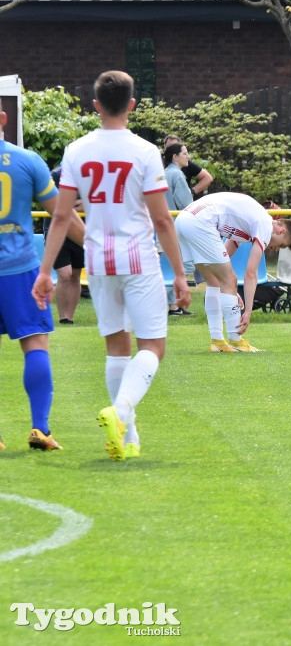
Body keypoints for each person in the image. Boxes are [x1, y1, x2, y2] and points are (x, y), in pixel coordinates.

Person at [33, 70, 191, 461]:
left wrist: (45, 270)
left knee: (116, 348)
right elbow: (161, 219)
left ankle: (128, 435)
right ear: (132, 105)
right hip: (138, 257)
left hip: (99, 260)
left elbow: (60, 216)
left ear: (96, 106)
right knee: (153, 345)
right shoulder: (144, 151)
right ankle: (121, 414)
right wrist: (182, 274)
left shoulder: (76, 150)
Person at [0, 109, 85, 451]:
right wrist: (96, 249)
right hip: (19, 269)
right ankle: (40, 429)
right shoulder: (26, 159)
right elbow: (60, 212)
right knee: (35, 343)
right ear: (3, 118)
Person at [175, 192, 291, 353]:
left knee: (215, 280)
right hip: (200, 222)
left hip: (184, 219)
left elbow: (224, 264)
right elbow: (251, 273)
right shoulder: (264, 224)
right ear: (281, 231)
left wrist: (231, 291)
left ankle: (217, 342)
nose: (275, 249)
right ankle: (236, 341)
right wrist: (247, 311)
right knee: (229, 280)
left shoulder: (250, 222)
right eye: (281, 245)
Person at [43, 167, 86, 325]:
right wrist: (75, 205)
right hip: (57, 231)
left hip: (79, 230)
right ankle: (63, 317)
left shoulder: (87, 175)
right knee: (64, 274)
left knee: (75, 275)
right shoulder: (55, 175)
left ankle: (69, 317)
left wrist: (70, 205)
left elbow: (93, 202)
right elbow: (53, 205)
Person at [163, 142, 197, 316]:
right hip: (178, 227)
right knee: (187, 266)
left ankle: (173, 307)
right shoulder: (177, 175)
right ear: (175, 157)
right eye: (185, 153)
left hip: (162, 228)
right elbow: (187, 205)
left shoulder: (163, 174)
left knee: (168, 268)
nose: (188, 156)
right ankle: (172, 304)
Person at [163, 134, 213, 199]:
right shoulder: (158, 162)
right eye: (170, 146)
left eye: (175, 146)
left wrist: (192, 191)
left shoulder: (185, 163)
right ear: (164, 146)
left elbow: (208, 177)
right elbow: (155, 180)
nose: (172, 149)